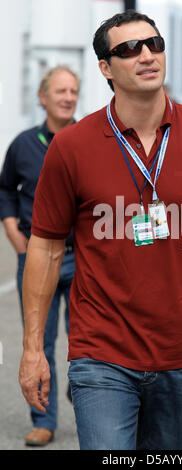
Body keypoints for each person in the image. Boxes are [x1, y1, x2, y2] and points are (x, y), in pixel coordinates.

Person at [18, 10, 182, 451]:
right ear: (105, 68)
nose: (147, 55)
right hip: (101, 351)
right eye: (129, 49)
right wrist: (32, 348)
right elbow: (46, 248)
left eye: (154, 44)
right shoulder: (71, 146)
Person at [0, 65, 79, 446]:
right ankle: (43, 420)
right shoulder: (23, 144)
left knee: (88, 339)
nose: (67, 97)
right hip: (35, 256)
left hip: (84, 258)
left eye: (73, 91)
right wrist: (14, 233)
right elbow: (6, 190)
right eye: (60, 91)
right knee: (39, 341)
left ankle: (84, 390)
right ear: (42, 97)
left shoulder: (90, 139)